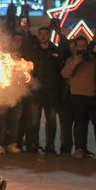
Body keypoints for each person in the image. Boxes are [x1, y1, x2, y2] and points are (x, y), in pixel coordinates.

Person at [61, 36, 96, 158]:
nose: (82, 48)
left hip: (92, 96)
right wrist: (75, 62)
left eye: (84, 45)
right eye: (79, 46)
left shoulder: (92, 59)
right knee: (80, 124)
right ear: (75, 47)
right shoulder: (71, 59)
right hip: (77, 96)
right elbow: (64, 74)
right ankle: (79, 149)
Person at [23, 26, 62, 154]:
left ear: (49, 35)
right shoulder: (33, 50)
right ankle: (34, 144)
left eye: (46, 34)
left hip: (51, 92)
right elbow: (26, 68)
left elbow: (60, 71)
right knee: (34, 119)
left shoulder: (56, 50)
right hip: (36, 91)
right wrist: (32, 81)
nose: (44, 36)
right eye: (41, 34)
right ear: (38, 35)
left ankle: (50, 145)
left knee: (51, 120)